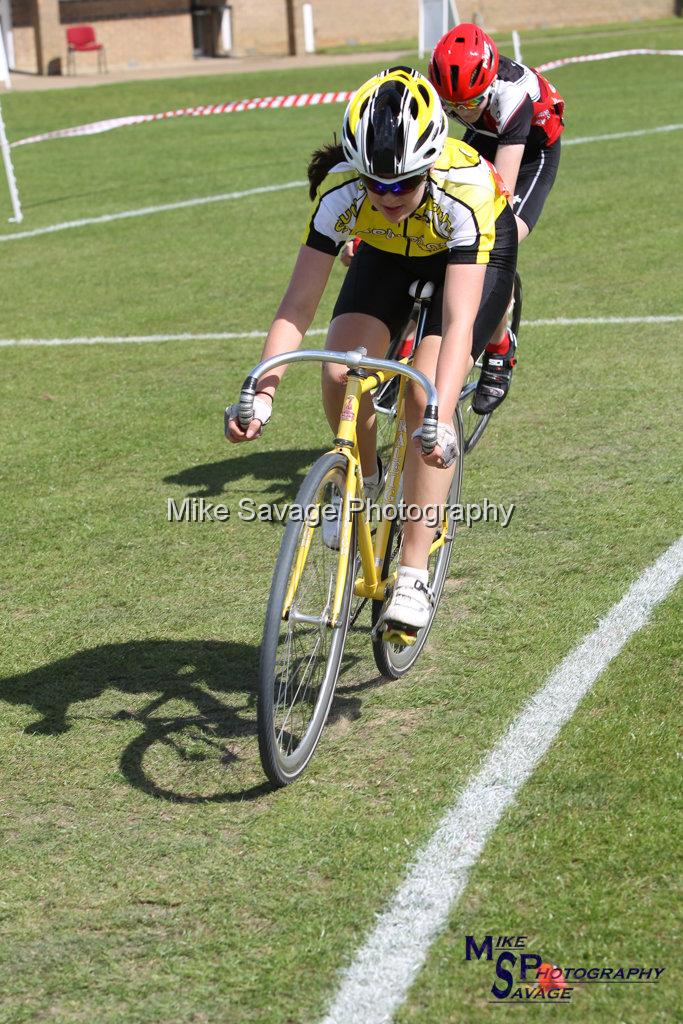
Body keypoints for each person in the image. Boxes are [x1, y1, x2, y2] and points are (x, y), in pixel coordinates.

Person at [226, 66, 517, 632]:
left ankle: (411, 573)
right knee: (339, 374)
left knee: (419, 398)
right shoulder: (343, 191)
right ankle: (363, 474)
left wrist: (440, 415)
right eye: (374, 184)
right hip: (388, 252)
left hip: (469, 253)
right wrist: (262, 393)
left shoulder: (466, 194)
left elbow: (458, 323)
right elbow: (297, 304)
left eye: (402, 183)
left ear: (429, 164)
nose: (387, 195)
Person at [429, 22, 564, 413]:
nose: (457, 112)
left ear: (486, 84)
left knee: (492, 244)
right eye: (450, 106)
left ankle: (500, 347)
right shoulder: (454, 93)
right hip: (488, 136)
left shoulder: (512, 96)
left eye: (466, 105)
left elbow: (498, 193)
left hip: (532, 151)